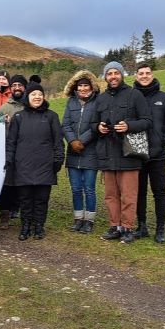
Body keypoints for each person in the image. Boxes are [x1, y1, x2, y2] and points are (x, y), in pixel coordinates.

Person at [91, 61, 151, 244]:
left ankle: (127, 228)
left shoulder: (135, 95)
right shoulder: (100, 99)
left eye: (116, 73)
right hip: (107, 154)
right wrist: (98, 127)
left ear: (122, 74)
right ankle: (115, 226)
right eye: (109, 74)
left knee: (128, 195)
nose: (113, 76)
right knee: (111, 195)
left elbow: (147, 121)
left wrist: (129, 126)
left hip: (128, 154)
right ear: (105, 77)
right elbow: (92, 123)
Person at [6, 81, 64, 241]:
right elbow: (11, 142)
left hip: (45, 165)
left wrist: (58, 160)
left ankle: (39, 226)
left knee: (41, 199)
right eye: (33, 94)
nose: (37, 97)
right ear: (28, 97)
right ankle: (25, 226)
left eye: (40, 94)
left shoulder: (51, 116)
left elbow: (58, 141)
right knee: (25, 199)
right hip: (23, 165)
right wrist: (9, 160)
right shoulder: (19, 117)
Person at [132, 63, 165, 243]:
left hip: (158, 155)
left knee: (159, 192)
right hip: (137, 153)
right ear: (136, 76)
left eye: (147, 73)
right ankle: (141, 226)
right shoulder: (131, 98)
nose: (144, 76)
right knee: (139, 192)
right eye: (141, 73)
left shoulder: (164, 98)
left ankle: (160, 229)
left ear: (152, 75)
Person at [61, 70, 101, 233]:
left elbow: (97, 125)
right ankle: (78, 219)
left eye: (86, 85)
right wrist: (72, 141)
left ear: (91, 87)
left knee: (89, 189)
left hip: (90, 152)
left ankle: (89, 220)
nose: (83, 89)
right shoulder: (71, 102)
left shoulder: (98, 102)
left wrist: (82, 141)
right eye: (80, 86)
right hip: (73, 153)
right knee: (76, 188)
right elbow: (65, 124)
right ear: (75, 88)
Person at [0, 74, 28, 225]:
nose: (17, 88)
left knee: (21, 182)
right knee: (7, 183)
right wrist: (2, 120)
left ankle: (18, 208)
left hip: (26, 150)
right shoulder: (4, 108)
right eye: (14, 85)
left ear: (25, 87)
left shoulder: (29, 106)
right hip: (7, 149)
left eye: (19, 85)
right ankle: (5, 211)